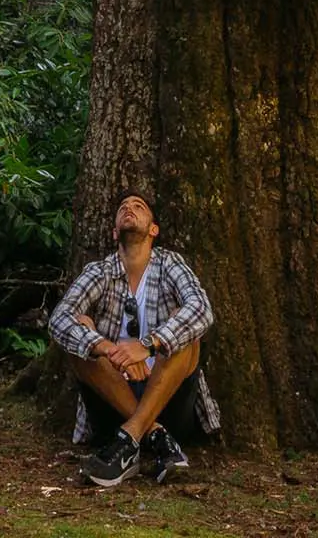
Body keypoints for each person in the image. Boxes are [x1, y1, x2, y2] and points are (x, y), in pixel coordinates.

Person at [44, 188, 215, 486]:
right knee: (79, 330)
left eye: (138, 206)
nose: (129, 208)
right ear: (114, 232)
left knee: (185, 331)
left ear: (153, 229)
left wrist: (147, 346)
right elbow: (59, 319)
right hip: (112, 401)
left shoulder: (169, 264)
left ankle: (130, 439)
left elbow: (201, 309)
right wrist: (110, 349)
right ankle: (155, 437)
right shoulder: (101, 271)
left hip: (166, 398)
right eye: (123, 206)